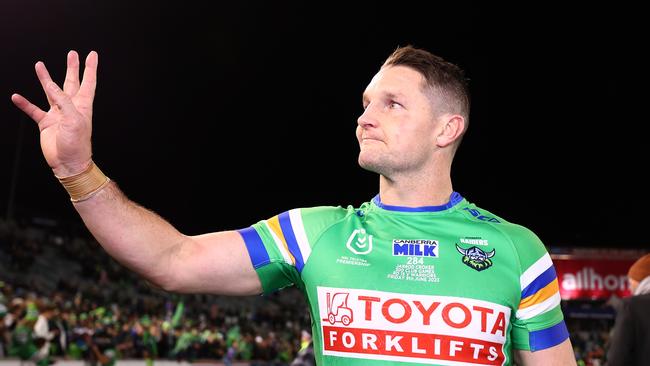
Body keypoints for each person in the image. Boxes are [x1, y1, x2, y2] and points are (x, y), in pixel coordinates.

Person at [11, 45, 576, 365]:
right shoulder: (313, 233)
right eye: (364, 102)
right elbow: (171, 260)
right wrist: (75, 170)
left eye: (392, 103)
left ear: (447, 128)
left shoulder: (516, 250)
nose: (364, 116)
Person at [606, 253, 650, 365]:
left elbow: (617, 358)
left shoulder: (632, 305)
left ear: (643, 281)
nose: (630, 288)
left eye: (631, 282)